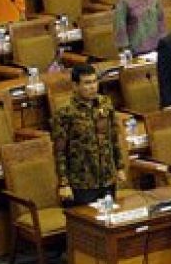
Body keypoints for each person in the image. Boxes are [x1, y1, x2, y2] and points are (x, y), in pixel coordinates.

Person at [52, 64, 124, 206]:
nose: (92, 87)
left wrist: (120, 167)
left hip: (107, 177)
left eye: (94, 81)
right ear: (75, 86)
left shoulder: (105, 103)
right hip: (82, 182)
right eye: (87, 83)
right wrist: (64, 183)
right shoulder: (65, 111)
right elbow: (60, 151)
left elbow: (114, 137)